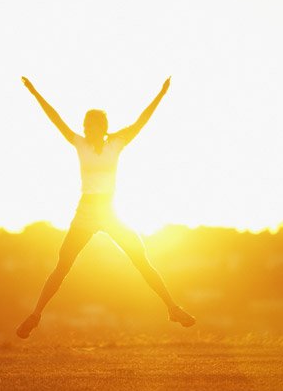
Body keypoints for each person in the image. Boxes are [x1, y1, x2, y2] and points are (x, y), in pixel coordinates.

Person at [16, 76, 195, 338]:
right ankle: (35, 315)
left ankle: (172, 308)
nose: (88, 130)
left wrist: (161, 94)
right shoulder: (80, 143)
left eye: (93, 126)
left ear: (103, 127)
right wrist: (34, 92)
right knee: (63, 265)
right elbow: (55, 118)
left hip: (111, 212)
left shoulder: (116, 143)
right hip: (86, 212)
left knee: (140, 259)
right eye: (86, 126)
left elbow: (141, 121)